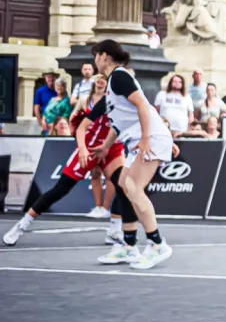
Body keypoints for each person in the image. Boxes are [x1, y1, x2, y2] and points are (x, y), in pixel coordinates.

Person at [4, 83, 131, 247]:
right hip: (90, 145)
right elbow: (81, 128)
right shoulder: (106, 101)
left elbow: (145, 120)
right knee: (61, 189)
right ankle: (21, 225)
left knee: (124, 186)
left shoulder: (133, 102)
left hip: (112, 146)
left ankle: (114, 231)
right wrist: (83, 149)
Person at [89, 40, 177, 269]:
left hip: (148, 139)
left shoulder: (120, 76)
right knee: (123, 184)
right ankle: (129, 247)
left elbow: (141, 105)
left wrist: (147, 138)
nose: (94, 60)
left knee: (133, 187)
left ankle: (157, 244)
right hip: (139, 139)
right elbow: (118, 122)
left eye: (95, 55)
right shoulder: (111, 83)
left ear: (104, 55)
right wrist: (107, 146)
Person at [72, 75, 115, 219]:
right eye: (99, 78)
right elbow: (75, 116)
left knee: (110, 174)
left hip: (108, 139)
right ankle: (98, 206)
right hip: (91, 139)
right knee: (95, 172)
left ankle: (106, 207)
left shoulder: (109, 98)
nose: (101, 81)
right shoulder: (85, 98)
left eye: (104, 79)